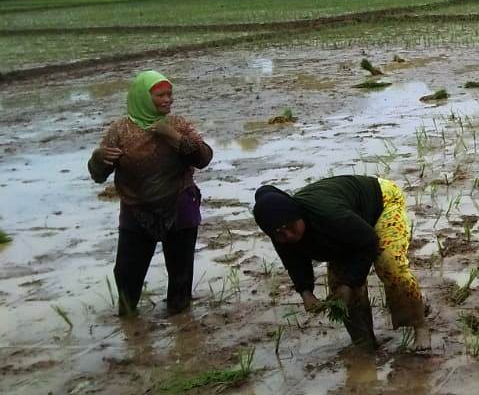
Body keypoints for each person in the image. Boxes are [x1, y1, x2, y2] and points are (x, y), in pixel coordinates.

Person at [88, 71, 212, 316]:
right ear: (142, 97)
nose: (168, 100)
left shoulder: (178, 124)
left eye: (170, 94)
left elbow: (203, 158)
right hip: (136, 208)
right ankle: (129, 324)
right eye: (160, 95)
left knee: (180, 274)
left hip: (180, 205)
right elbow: (98, 175)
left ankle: (183, 327)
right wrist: (97, 159)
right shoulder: (120, 130)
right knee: (126, 274)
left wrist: (174, 137)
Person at [252, 176, 428, 344]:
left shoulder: (329, 214)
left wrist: (349, 282)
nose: (288, 236)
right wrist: (306, 292)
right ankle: (364, 343)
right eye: (279, 234)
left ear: (298, 215)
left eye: (290, 227)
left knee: (390, 264)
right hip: (346, 232)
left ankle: (419, 324)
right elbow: (295, 263)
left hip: (382, 202)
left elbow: (368, 241)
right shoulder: (280, 234)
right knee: (340, 292)